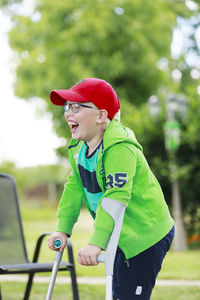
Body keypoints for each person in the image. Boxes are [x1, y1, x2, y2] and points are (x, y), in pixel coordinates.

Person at [48, 78, 174, 300]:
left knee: (128, 295)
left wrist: (97, 243)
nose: (68, 113)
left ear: (101, 116)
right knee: (119, 293)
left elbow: (115, 197)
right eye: (67, 106)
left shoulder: (120, 149)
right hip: (121, 233)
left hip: (145, 234)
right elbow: (74, 187)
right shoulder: (79, 148)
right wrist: (62, 229)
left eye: (76, 107)